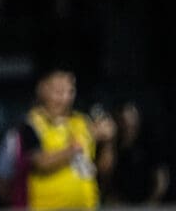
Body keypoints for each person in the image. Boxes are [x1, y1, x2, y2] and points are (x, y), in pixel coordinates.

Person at [18, 69, 115, 210]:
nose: (65, 98)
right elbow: (40, 162)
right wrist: (81, 142)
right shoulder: (33, 123)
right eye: (59, 92)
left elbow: (103, 170)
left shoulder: (82, 121)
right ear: (43, 90)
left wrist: (108, 142)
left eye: (70, 91)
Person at [105, 100, 170, 205]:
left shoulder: (149, 144)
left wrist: (152, 203)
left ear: (137, 119)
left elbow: (161, 176)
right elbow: (107, 175)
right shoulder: (114, 145)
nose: (127, 124)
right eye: (123, 120)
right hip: (120, 204)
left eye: (131, 119)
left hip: (146, 203)